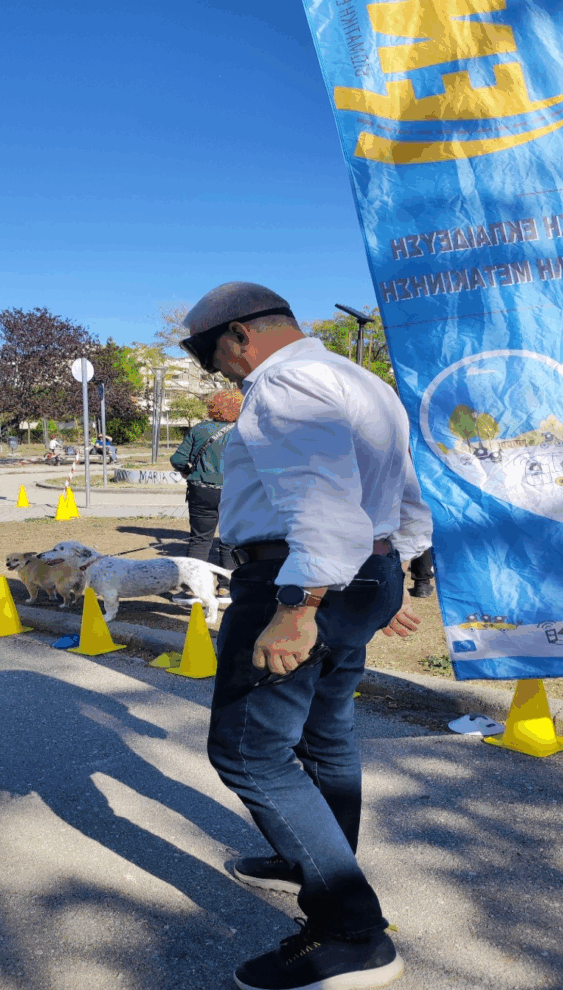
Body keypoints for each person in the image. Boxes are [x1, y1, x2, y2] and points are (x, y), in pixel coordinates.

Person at [178, 282, 431, 990]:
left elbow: (319, 501)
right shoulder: (362, 381)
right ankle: (314, 858)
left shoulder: (284, 384)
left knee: (249, 751)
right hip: (359, 569)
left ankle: (351, 933)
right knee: (325, 731)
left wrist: (301, 604)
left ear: (239, 334)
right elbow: (407, 492)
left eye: (214, 356)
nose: (221, 373)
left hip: (295, 578)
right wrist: (387, 573)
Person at [169, 390, 243, 604]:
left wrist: (187, 470)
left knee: (200, 540)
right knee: (229, 540)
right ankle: (226, 588)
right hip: (232, 491)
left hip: (201, 490)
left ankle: (192, 589)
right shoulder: (243, 430)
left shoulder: (200, 429)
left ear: (213, 407)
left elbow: (177, 459)